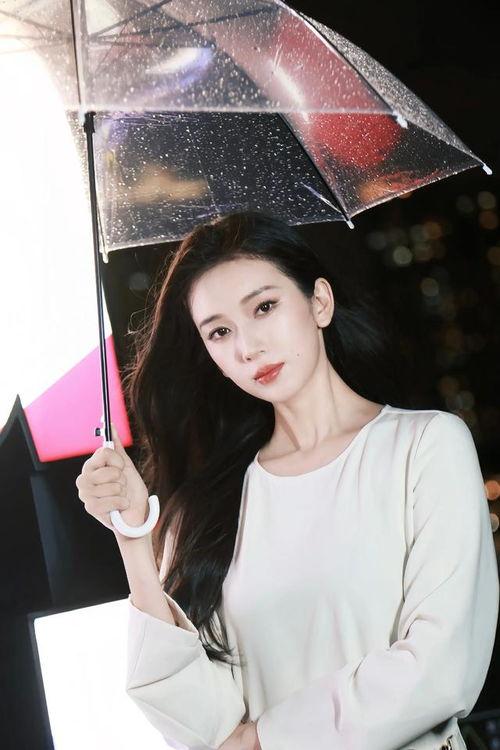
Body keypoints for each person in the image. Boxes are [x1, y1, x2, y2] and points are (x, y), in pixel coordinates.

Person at [75, 210, 499, 750]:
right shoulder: (206, 504)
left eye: (264, 307)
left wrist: (265, 739)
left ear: (319, 302)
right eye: (220, 332)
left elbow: (441, 668)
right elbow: (199, 722)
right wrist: (134, 538)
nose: (247, 347)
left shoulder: (424, 446)